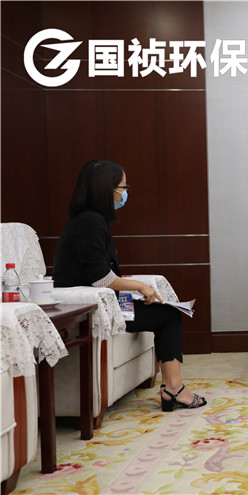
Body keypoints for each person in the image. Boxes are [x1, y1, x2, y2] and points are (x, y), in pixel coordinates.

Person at [53, 159, 206, 411]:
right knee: (168, 317)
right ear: (107, 189)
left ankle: (171, 386)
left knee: (166, 312)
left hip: (105, 302)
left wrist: (132, 291)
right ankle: (174, 388)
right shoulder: (90, 222)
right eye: (123, 187)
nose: (125, 193)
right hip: (92, 310)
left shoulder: (90, 219)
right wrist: (139, 286)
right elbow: (100, 278)